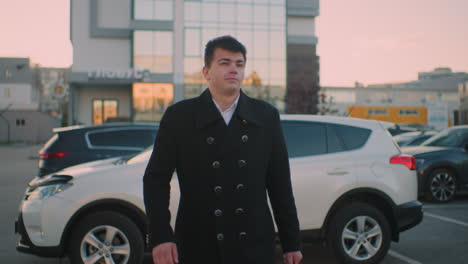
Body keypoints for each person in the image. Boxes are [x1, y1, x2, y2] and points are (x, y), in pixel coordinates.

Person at [143, 35, 302, 264]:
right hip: (198, 243)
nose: (233, 70)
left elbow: (280, 184)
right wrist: (160, 236)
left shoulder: (265, 116)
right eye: (224, 63)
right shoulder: (180, 117)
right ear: (206, 72)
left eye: (239, 64)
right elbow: (155, 179)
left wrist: (291, 243)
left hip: (254, 245)